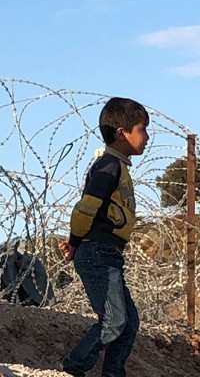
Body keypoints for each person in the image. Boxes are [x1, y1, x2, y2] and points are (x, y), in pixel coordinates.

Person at [59, 97, 149, 376]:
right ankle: (74, 367)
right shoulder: (108, 166)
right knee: (113, 320)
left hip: (108, 252)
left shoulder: (117, 166)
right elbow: (86, 207)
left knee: (128, 321)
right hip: (97, 251)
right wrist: (75, 241)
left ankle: (113, 371)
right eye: (142, 129)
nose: (146, 137)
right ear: (122, 133)